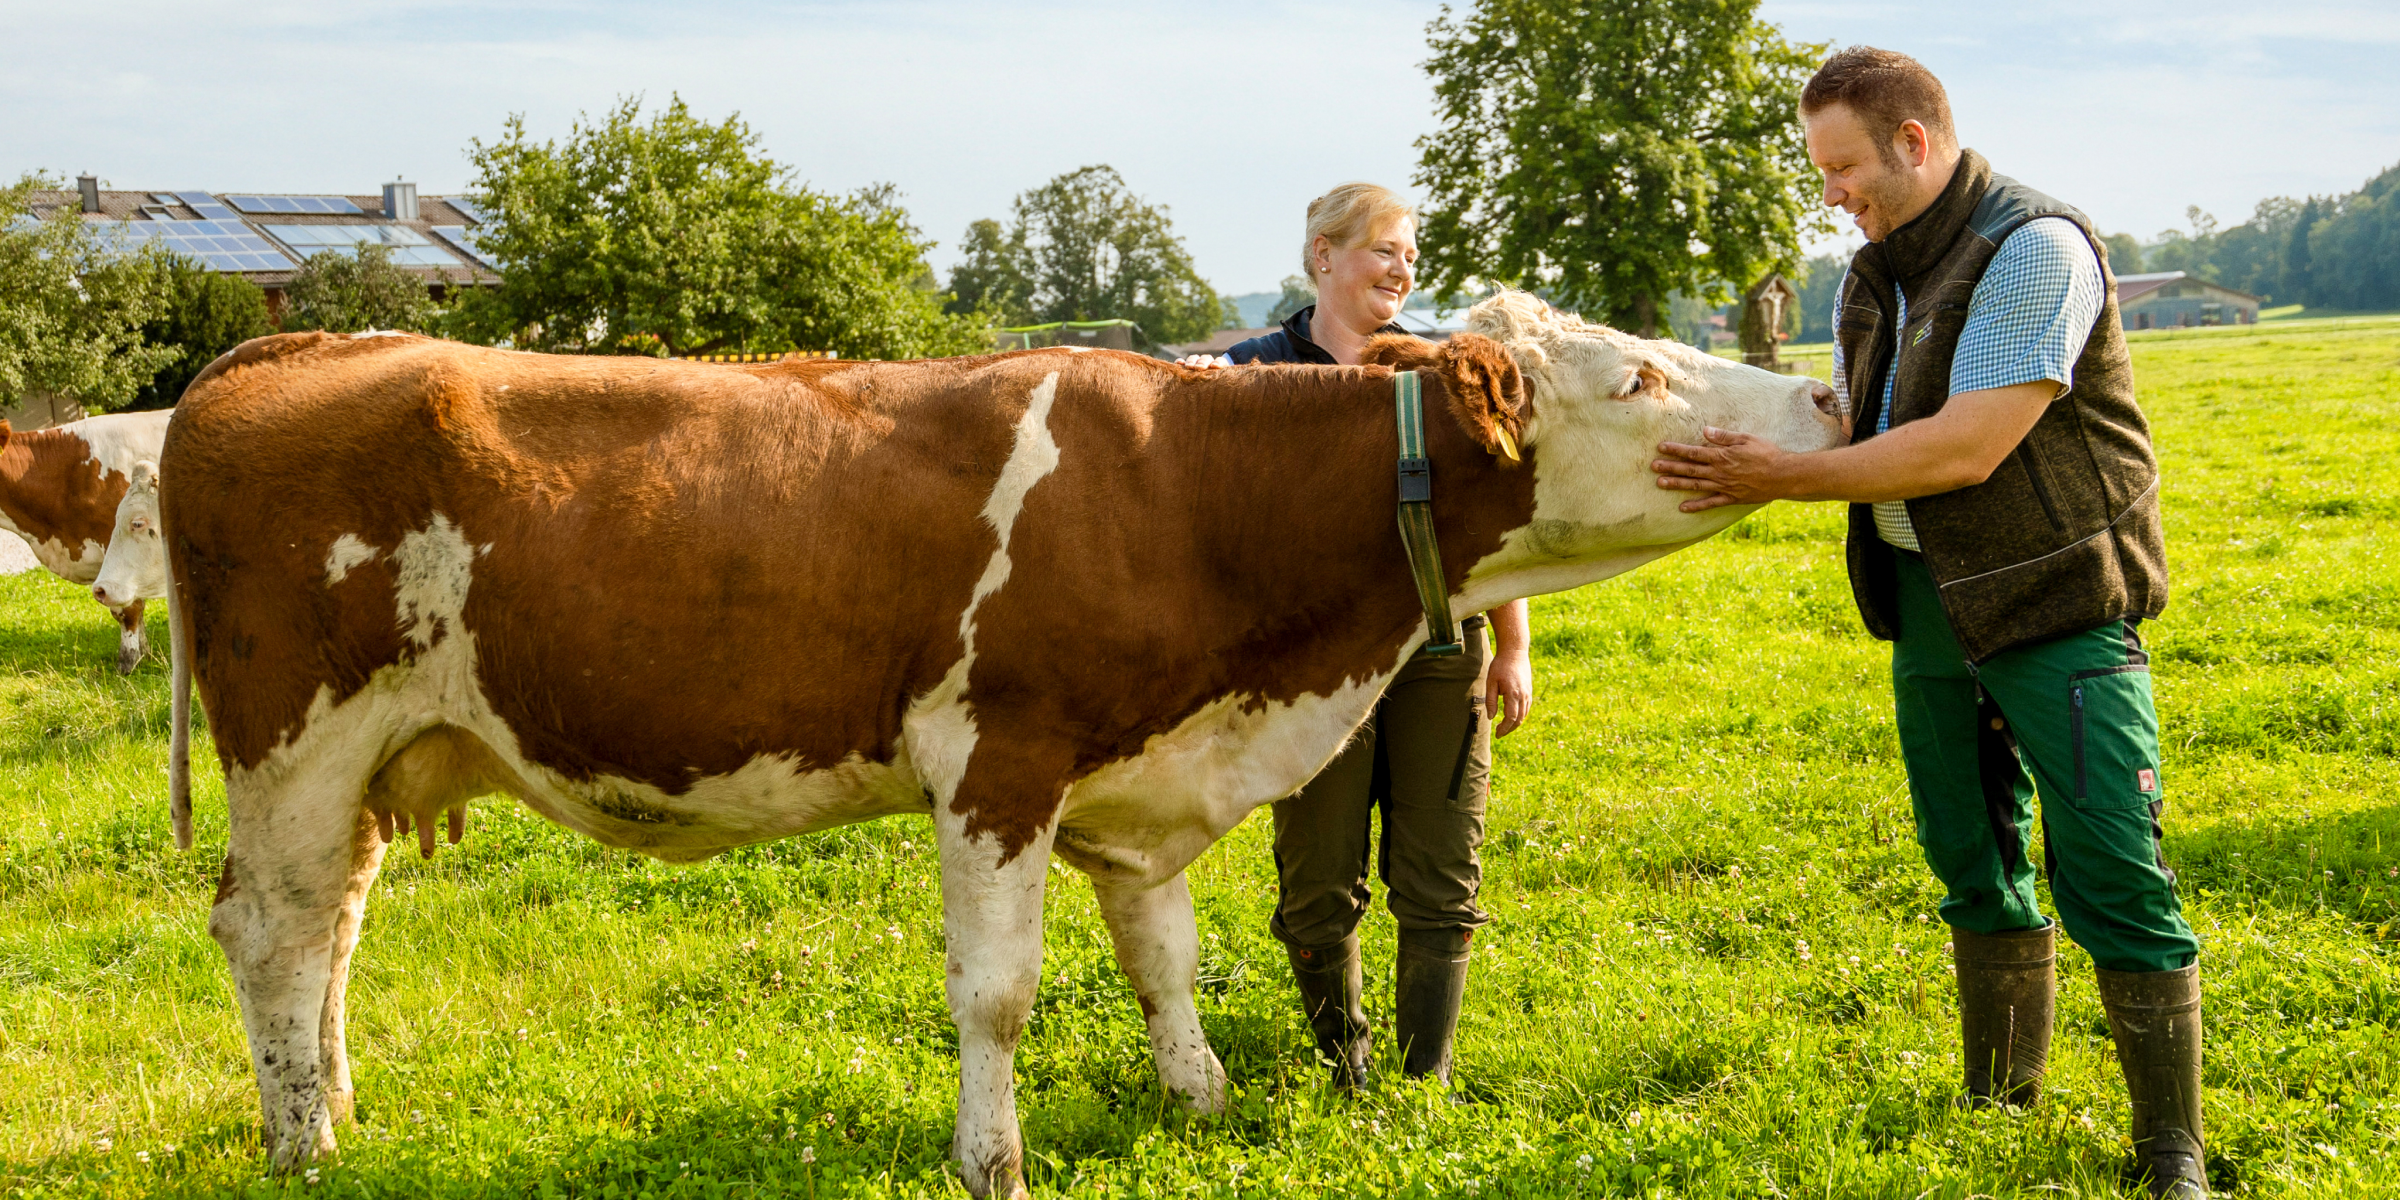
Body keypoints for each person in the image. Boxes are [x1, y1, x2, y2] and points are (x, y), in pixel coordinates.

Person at [1648, 49, 2206, 1198]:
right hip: (1925, 603)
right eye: (1820, 170)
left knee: (2111, 866)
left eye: (1843, 164)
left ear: (1914, 140)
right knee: (1970, 857)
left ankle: (2172, 1154)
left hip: (2056, 602)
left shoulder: (2032, 248)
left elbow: (1965, 444)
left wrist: (1777, 479)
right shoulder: (1871, 276)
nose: (1830, 191)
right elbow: (1862, 413)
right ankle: (2002, 1104)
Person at [1188, 183, 1534, 1089]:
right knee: (1318, 877)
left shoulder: (1442, 368)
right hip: (1308, 666)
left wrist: (1514, 645)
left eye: (1410, 252)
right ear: (1324, 257)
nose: (1403, 266)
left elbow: (1491, 520)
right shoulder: (1257, 372)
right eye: (1385, 248)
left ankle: (1425, 1078)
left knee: (1440, 870)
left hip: (1436, 646)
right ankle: (1346, 1060)